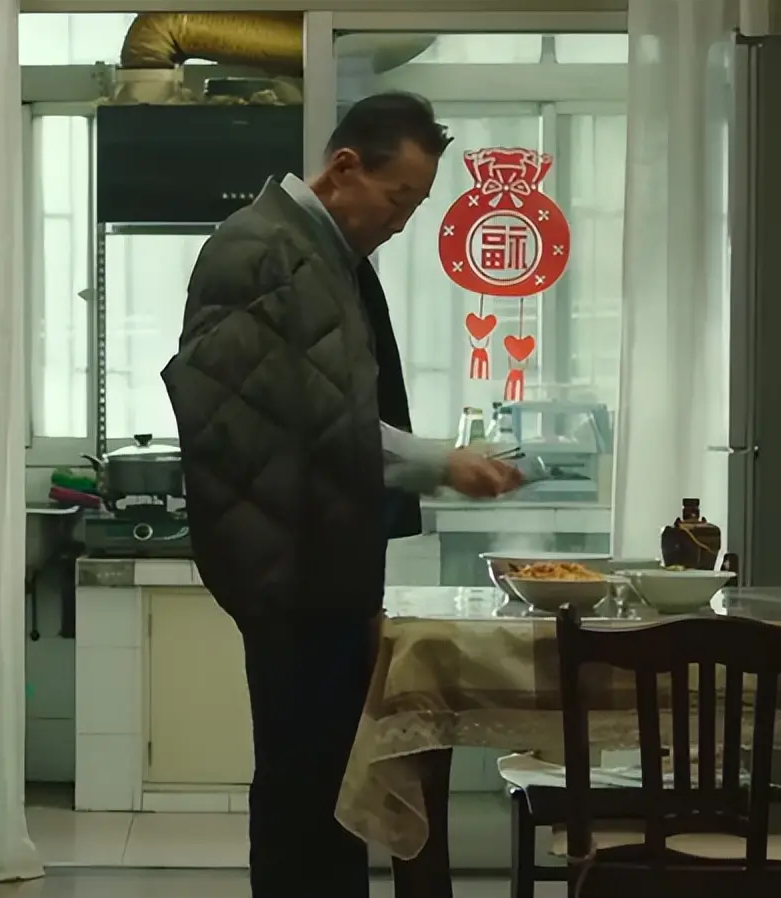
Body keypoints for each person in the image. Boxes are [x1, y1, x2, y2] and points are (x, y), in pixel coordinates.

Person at [162, 92, 523, 898]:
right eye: (398, 199)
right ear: (344, 168)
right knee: (304, 790)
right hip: (288, 571)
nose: (402, 221)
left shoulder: (319, 255)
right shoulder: (263, 251)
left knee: (325, 786)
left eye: (417, 206)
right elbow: (304, 427)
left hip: (318, 567)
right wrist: (440, 463)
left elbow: (333, 414)